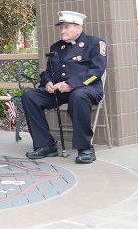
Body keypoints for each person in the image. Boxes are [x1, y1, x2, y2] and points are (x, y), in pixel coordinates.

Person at [21, 10, 107, 164]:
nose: (62, 30)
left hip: (86, 89)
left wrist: (70, 85)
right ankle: (45, 145)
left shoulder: (95, 44)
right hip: (59, 90)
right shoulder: (56, 47)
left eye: (66, 27)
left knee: (78, 96)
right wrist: (47, 82)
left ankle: (85, 149)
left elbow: (96, 72)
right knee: (30, 96)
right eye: (61, 27)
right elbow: (48, 72)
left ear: (79, 27)